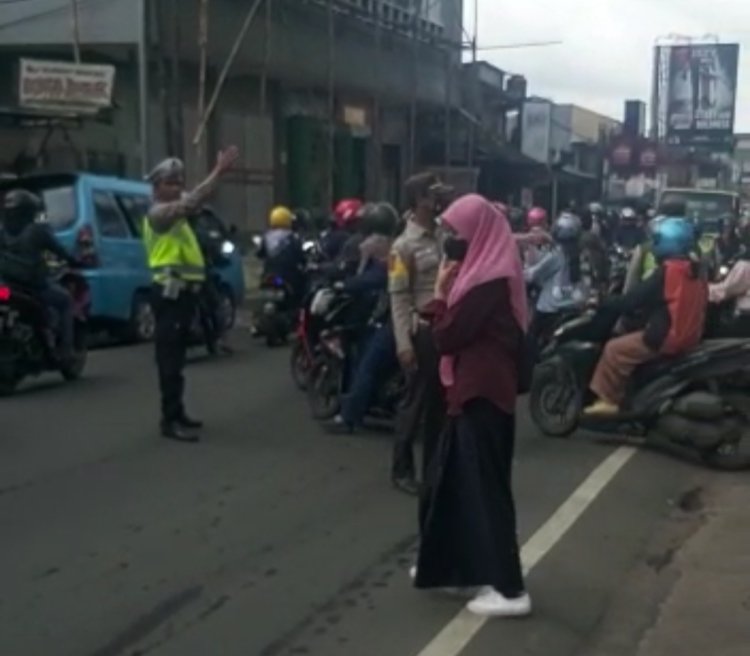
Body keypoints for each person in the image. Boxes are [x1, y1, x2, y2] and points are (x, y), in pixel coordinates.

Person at [415, 194, 530, 618]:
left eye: (458, 233)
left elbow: (448, 337)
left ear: (479, 235)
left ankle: (510, 588)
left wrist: (442, 295)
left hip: (482, 392)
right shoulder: (483, 274)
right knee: (458, 488)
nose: (451, 241)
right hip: (473, 390)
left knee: (485, 491)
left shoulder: (487, 282)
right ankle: (458, 568)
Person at [143, 147, 239, 442]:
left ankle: (178, 411)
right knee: (169, 360)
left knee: (179, 359)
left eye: (178, 182)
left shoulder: (179, 213)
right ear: (157, 187)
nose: (177, 188)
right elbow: (192, 200)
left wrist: (213, 178)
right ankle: (169, 420)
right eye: (170, 183)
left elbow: (196, 199)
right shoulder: (160, 214)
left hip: (185, 295)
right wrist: (217, 172)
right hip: (169, 294)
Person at [585, 217, 707, 416]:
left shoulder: (667, 272)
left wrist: (602, 301)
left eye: (658, 240)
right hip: (691, 336)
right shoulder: (694, 270)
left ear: (668, 242)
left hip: (667, 336)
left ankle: (608, 400)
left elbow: (633, 299)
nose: (655, 244)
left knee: (614, 349)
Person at [389, 172, 451, 496]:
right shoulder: (403, 247)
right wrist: (403, 344)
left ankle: (434, 470)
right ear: (418, 200)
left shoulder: (443, 236)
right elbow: (398, 297)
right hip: (421, 333)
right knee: (414, 404)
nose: (438, 199)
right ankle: (401, 469)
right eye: (432, 194)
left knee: (440, 405)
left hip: (445, 328)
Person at [332, 203, 400, 432]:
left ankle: (348, 418)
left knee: (367, 366)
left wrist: (345, 284)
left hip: (397, 317)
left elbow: (377, 277)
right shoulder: (403, 245)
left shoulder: (382, 248)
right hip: (406, 314)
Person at [0, 189, 80, 361]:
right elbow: (60, 251)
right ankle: (66, 349)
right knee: (66, 300)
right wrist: (75, 261)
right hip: (35, 287)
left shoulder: (2, 232)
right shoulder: (37, 231)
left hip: (7, 286)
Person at [525, 212, 588, 344]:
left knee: (529, 340)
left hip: (550, 309)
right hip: (575, 306)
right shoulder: (582, 254)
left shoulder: (557, 255)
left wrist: (518, 270)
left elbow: (532, 276)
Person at [258, 205, 306, 304]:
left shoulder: (266, 237)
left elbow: (259, 254)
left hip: (269, 276)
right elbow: (300, 256)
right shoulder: (292, 237)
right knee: (302, 287)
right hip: (286, 277)